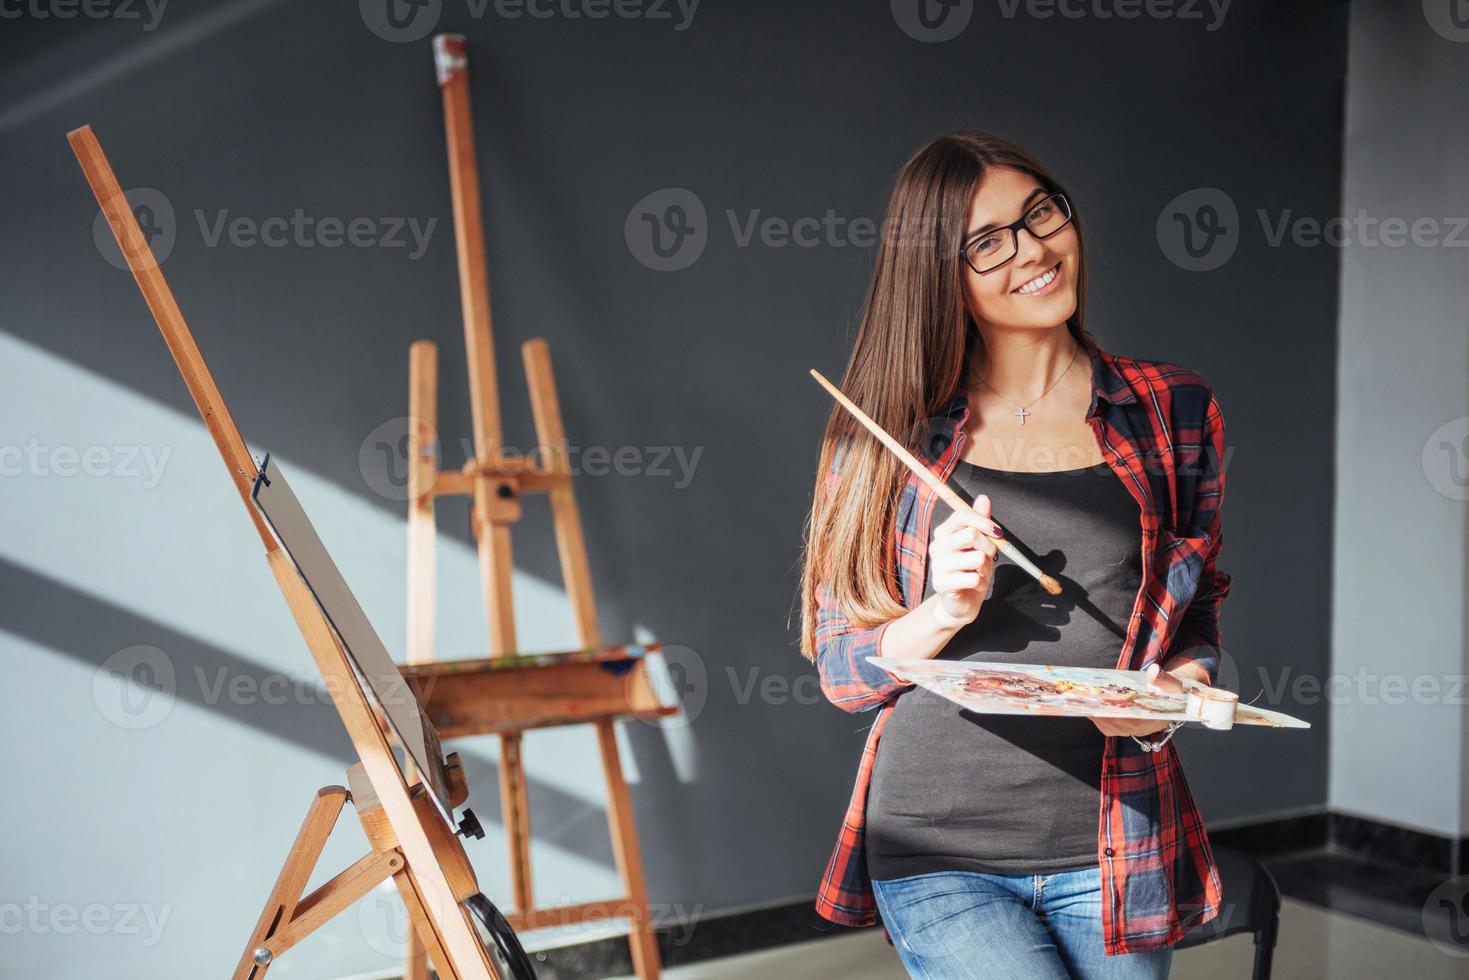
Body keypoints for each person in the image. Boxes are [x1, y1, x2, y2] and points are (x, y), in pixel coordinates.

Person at [798, 131, 1231, 979]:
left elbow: (1199, 607)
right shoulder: (884, 435)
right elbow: (842, 676)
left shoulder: (1173, 408)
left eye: (1039, 215)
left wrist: (1179, 694)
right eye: (987, 241)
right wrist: (940, 612)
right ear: (938, 273)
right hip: (935, 844)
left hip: (1118, 838)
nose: (1032, 250)